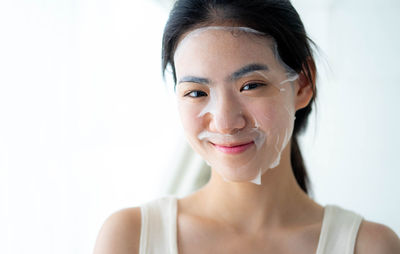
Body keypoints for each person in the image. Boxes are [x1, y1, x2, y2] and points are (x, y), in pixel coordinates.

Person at [93, 1, 400, 253]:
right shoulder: (130, 238)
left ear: (303, 83)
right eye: (197, 92)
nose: (225, 122)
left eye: (251, 85)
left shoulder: (369, 246)